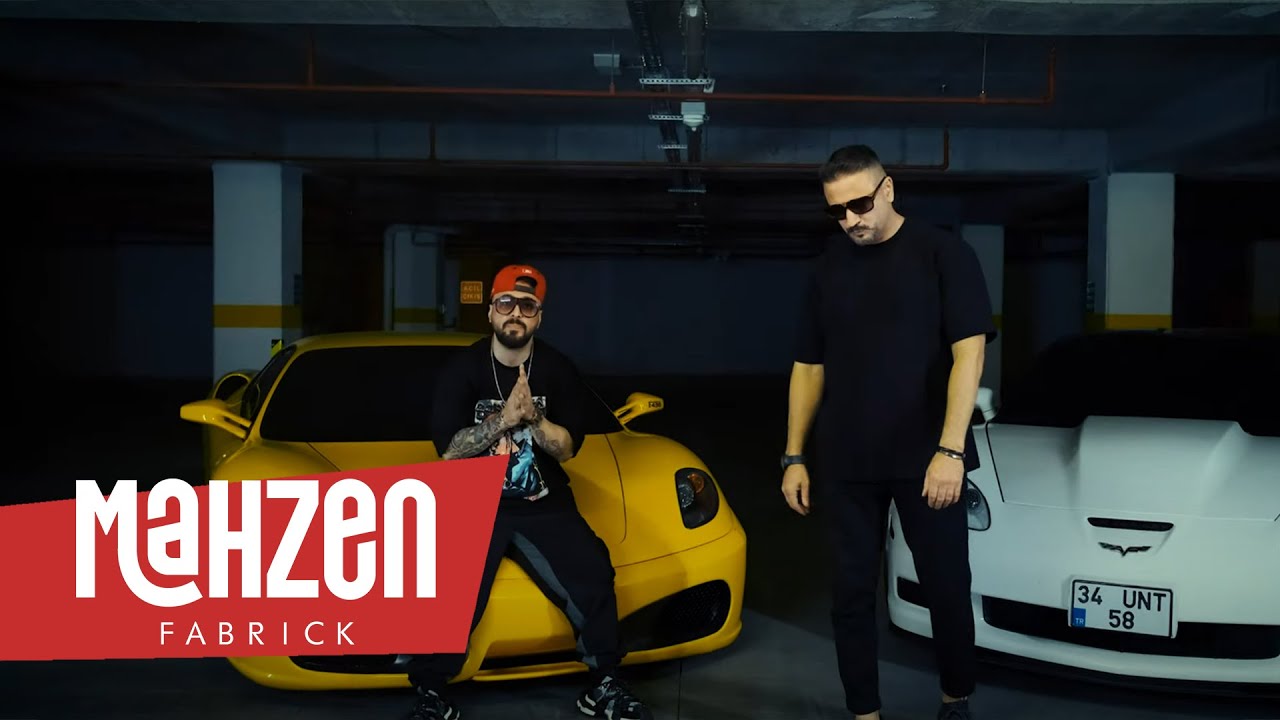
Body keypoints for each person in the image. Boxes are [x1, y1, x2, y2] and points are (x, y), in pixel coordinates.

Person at [780, 145, 996, 720]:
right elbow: (808, 366)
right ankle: (865, 713)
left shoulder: (944, 253)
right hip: (846, 460)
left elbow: (969, 355)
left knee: (946, 586)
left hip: (928, 457)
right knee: (851, 595)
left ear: (889, 189)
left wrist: (951, 449)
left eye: (860, 204)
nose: (851, 219)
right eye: (837, 211)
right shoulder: (826, 268)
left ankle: (955, 700)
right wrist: (794, 455)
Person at [404, 264, 652, 720]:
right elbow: (450, 451)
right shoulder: (463, 369)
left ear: (539, 317)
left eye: (527, 305)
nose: (515, 312)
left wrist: (534, 417)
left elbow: (567, 450)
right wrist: (503, 419)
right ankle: (432, 693)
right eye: (506, 303)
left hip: (543, 502)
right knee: (445, 587)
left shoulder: (557, 369)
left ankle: (604, 684)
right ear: (491, 312)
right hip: (472, 502)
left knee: (593, 571)